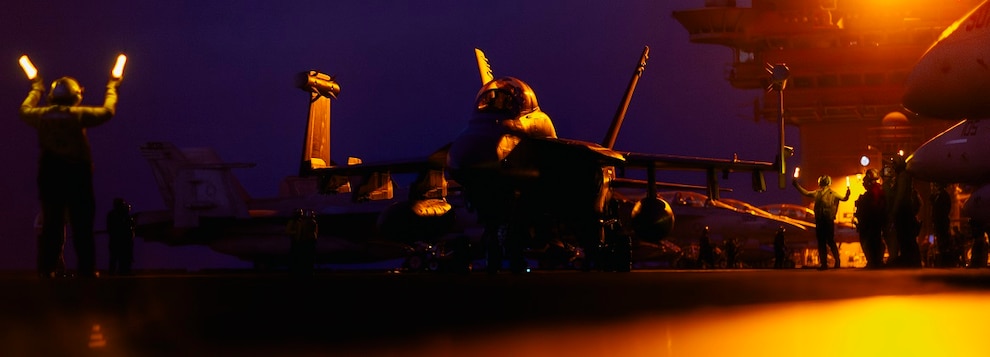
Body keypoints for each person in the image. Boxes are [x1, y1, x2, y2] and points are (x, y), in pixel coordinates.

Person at [20, 74, 121, 278]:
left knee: (51, 225)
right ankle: (86, 271)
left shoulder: (41, 115)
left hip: (50, 175)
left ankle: (45, 271)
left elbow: (24, 110)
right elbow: (108, 111)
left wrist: (36, 87)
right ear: (76, 95)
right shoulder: (78, 114)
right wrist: (111, 86)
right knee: (82, 225)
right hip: (77, 175)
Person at [794, 174, 850, 270]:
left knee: (828, 242)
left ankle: (835, 261)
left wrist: (796, 185)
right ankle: (826, 263)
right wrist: (796, 185)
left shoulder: (828, 193)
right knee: (823, 242)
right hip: (821, 220)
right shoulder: (823, 193)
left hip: (826, 220)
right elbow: (844, 198)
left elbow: (806, 193)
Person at [888, 156, 923, 268]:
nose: (893, 167)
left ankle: (911, 259)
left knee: (906, 237)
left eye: (895, 164)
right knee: (906, 238)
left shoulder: (903, 177)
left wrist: (895, 210)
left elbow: (900, 195)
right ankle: (909, 258)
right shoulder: (903, 176)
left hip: (903, 213)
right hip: (904, 212)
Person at [854, 168, 886, 269]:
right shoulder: (878, 190)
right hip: (873, 222)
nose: (863, 183)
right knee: (874, 241)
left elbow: (871, 207)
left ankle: (873, 261)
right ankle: (875, 261)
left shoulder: (874, 191)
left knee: (869, 241)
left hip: (870, 222)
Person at [106, 198, 135, 275]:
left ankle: (120, 271)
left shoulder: (113, 215)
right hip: (120, 240)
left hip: (118, 240)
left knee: (119, 257)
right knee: (118, 257)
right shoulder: (119, 215)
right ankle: (120, 272)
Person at [930, 182, 954, 267]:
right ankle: (942, 255)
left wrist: (941, 215)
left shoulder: (943, 195)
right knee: (940, 237)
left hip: (941, 220)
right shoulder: (939, 196)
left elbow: (944, 207)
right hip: (939, 220)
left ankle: (945, 258)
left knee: (943, 237)